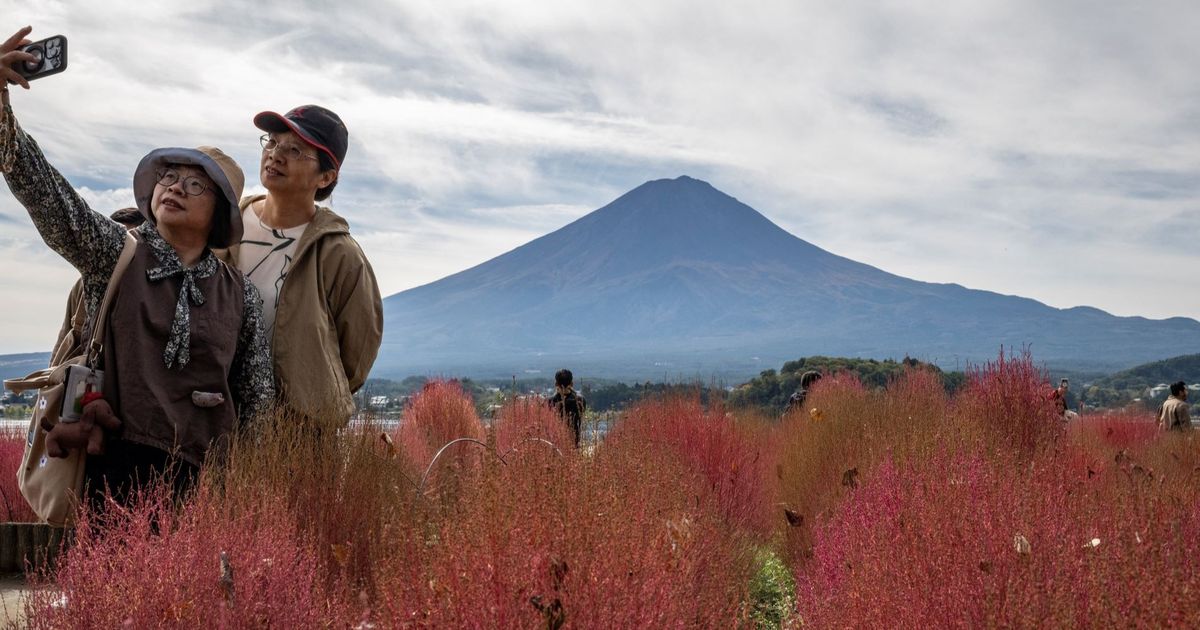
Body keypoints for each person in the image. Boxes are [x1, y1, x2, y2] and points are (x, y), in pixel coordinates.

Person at [0, 26, 274, 504]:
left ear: (220, 215)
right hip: (111, 465)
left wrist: (249, 494)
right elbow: (51, 198)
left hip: (204, 481)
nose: (174, 188)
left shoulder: (238, 293)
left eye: (195, 186)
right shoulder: (117, 253)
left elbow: (256, 402)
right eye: (169, 177)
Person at [219, 104, 382, 425]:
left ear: (326, 176)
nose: (276, 155)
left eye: (295, 150)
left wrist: (309, 398)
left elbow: (357, 353)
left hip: (293, 431)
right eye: (272, 142)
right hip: (213, 418)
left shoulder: (339, 254)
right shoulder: (222, 225)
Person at [52, 208, 145, 357]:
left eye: (127, 244)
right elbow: (65, 338)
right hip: (90, 375)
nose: (118, 250)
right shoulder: (82, 286)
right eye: (113, 243)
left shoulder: (154, 284)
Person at [548, 369, 586, 449]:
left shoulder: (551, 401)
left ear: (556, 384)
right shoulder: (580, 400)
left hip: (556, 443)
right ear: (572, 383)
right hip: (574, 442)